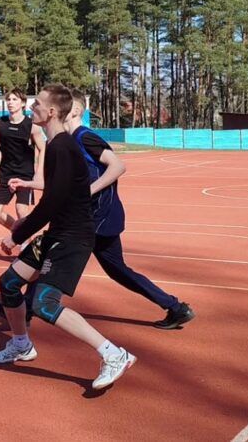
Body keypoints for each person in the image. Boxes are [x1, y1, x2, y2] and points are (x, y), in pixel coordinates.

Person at [0, 84, 136, 391]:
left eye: (37, 104)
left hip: (74, 238)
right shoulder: (58, 145)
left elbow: (53, 202)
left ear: (51, 112)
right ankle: (21, 345)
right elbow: (56, 196)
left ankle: (114, 354)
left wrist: (17, 234)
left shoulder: (61, 147)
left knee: (43, 302)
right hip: (58, 233)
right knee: (10, 284)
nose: (32, 108)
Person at [66, 89, 194, 329]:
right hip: (91, 217)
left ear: (75, 110)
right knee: (117, 270)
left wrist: (88, 191)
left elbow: (117, 166)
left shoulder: (85, 137)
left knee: (57, 257)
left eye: (64, 104)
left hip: (99, 218)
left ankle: (26, 305)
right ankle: (176, 307)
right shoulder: (69, 141)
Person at [0, 89, 45, 230]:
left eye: (14, 99)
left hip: (25, 174)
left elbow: (43, 148)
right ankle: (20, 233)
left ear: (23, 103)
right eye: (8, 99)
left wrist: (38, 173)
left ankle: (25, 245)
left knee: (21, 210)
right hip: (4, 173)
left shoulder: (32, 126)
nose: (10, 102)